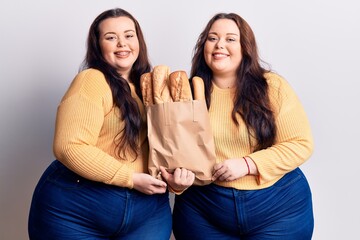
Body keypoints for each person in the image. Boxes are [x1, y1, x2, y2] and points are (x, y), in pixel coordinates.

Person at [28, 8, 194, 240]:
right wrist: (131, 178)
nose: (121, 44)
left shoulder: (151, 87)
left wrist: (176, 182)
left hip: (147, 213)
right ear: (97, 45)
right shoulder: (91, 81)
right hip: (77, 210)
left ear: (139, 41)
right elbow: (69, 146)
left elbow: (166, 149)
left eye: (128, 35)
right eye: (110, 37)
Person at [172, 12, 314, 240]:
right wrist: (176, 183)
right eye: (212, 38)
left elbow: (301, 144)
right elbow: (174, 153)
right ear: (203, 46)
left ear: (245, 47)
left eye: (230, 39)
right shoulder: (184, 93)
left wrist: (248, 164)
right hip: (204, 211)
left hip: (278, 209)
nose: (220, 45)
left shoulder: (272, 87)